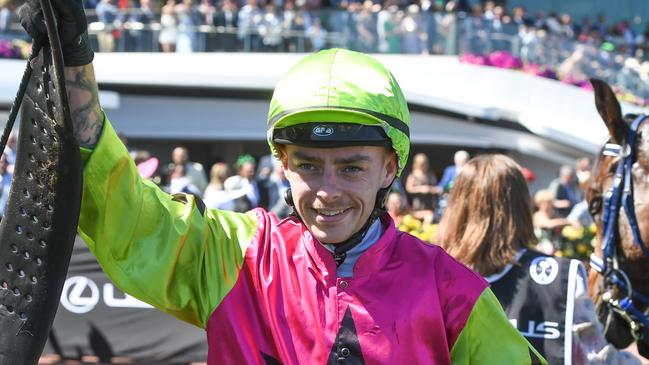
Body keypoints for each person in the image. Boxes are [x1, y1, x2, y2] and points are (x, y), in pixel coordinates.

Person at [18, 2, 545, 361]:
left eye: (353, 167)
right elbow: (124, 211)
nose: (327, 190)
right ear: (281, 162)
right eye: (308, 165)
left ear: (391, 167)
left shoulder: (451, 291)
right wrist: (71, 61)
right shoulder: (232, 256)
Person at [437, 154, 642, 365]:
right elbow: (595, 358)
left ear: (457, 207)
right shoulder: (560, 279)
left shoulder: (433, 278)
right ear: (522, 206)